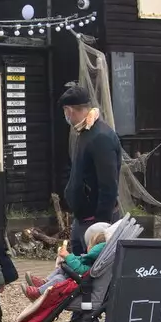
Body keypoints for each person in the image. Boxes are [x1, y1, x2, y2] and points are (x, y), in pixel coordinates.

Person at [60, 87, 121, 254]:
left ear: (69, 110)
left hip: (94, 220)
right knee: (76, 265)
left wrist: (101, 224)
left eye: (65, 111)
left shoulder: (100, 136)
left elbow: (108, 183)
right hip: (82, 218)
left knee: (91, 270)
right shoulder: (84, 132)